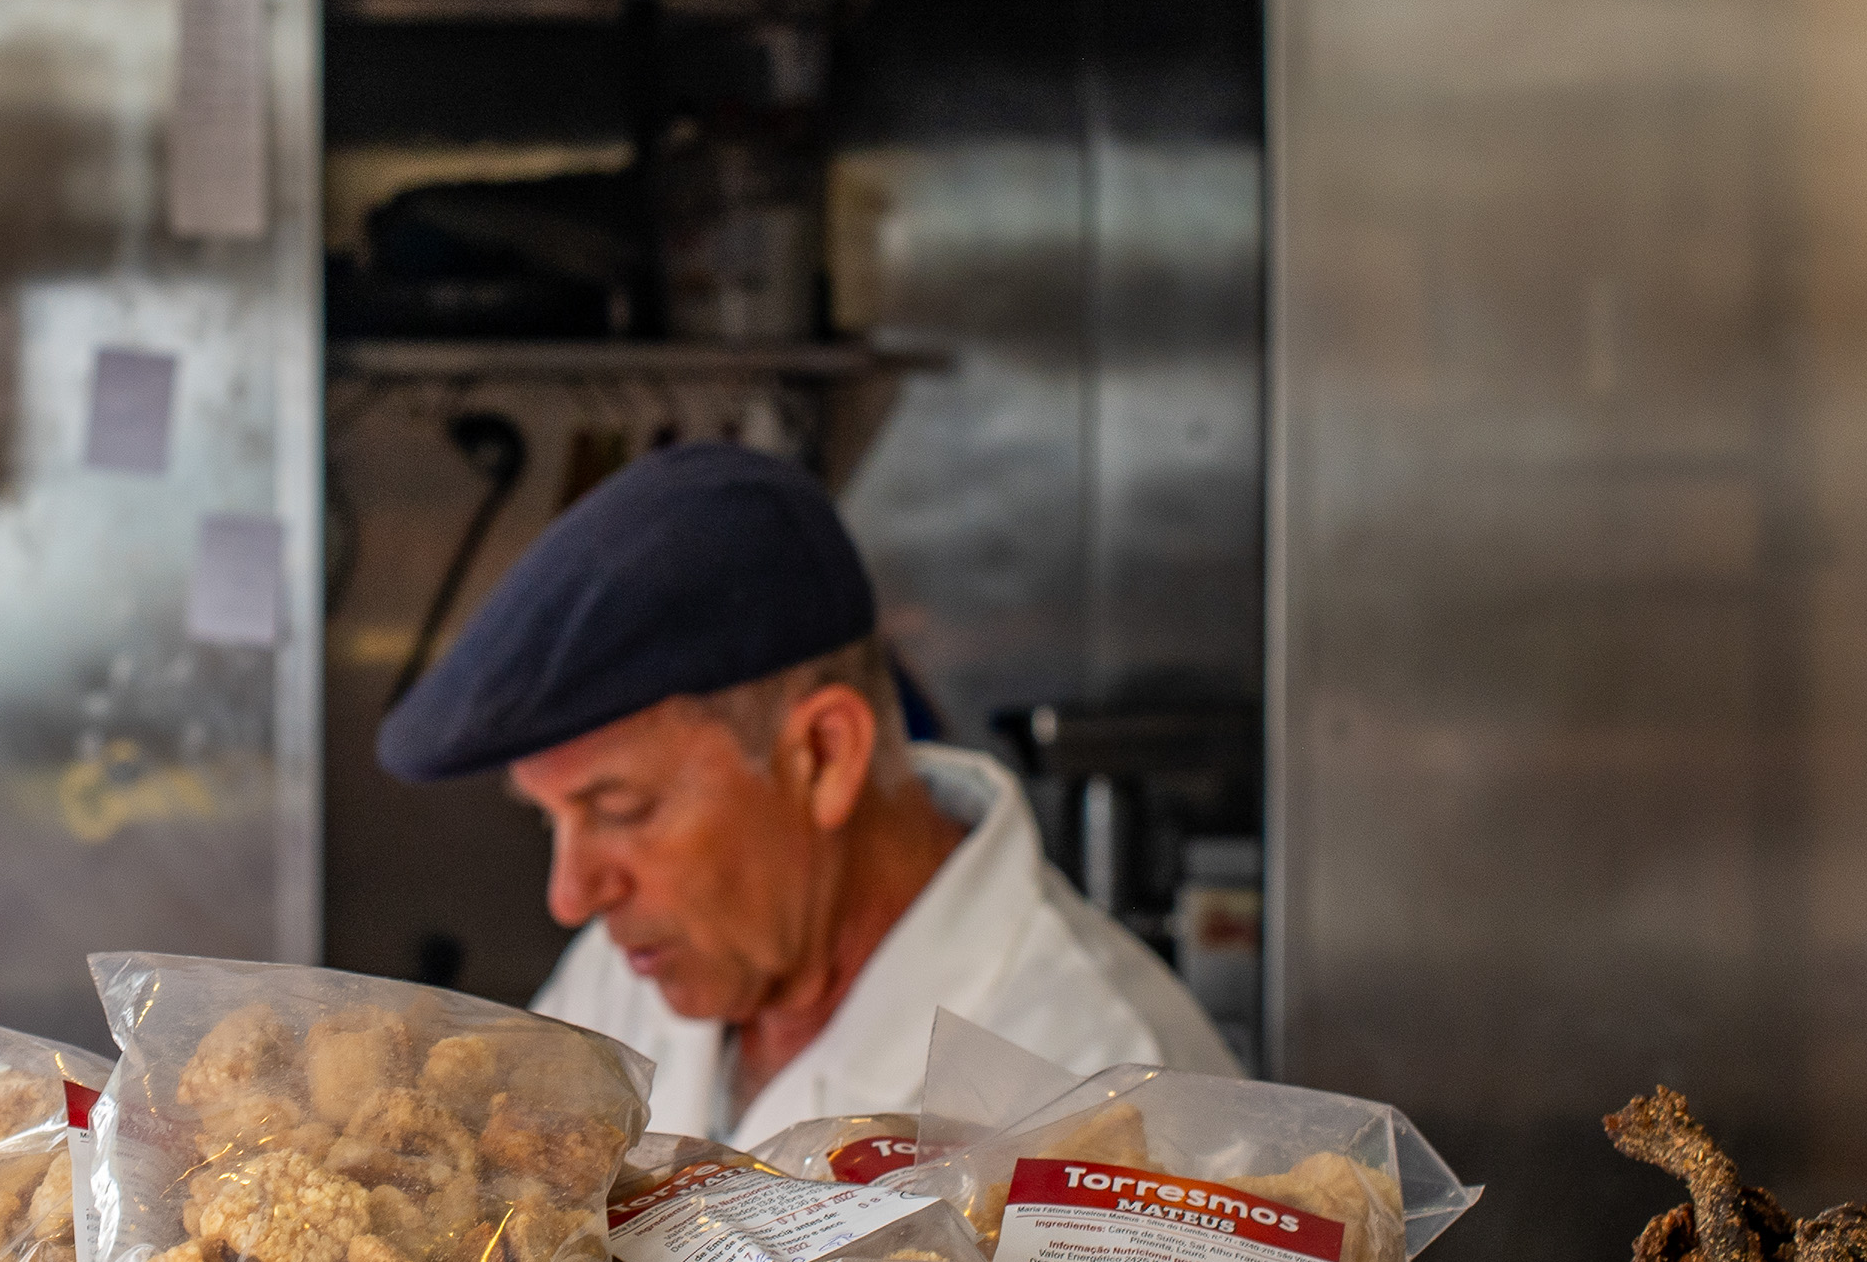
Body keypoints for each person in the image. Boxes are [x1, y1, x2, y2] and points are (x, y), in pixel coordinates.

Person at [374, 440, 1232, 1147]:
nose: (570, 895)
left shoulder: (1106, 1084)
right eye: (552, 820)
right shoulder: (633, 966)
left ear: (824, 755)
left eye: (621, 810)